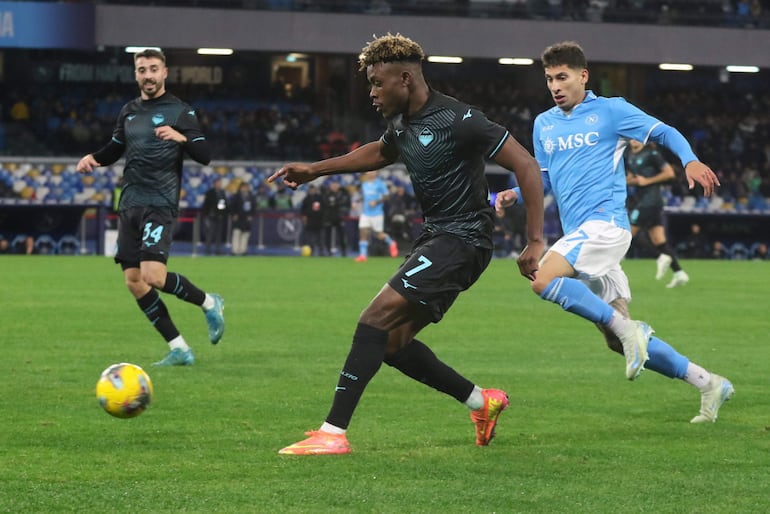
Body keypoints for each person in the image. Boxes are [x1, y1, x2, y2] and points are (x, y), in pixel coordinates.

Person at [268, 33, 544, 455]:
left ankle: (333, 433)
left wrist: (535, 240)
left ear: (404, 78)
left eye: (378, 83)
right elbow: (379, 153)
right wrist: (315, 170)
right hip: (436, 236)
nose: (372, 93)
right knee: (392, 343)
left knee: (374, 318)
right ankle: (480, 401)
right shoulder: (401, 124)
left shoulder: (459, 119)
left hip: (464, 238)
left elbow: (525, 163)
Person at [495, 41, 733, 424]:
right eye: (549, 79)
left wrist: (689, 160)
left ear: (582, 76)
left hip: (606, 225)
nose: (555, 86)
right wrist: (515, 193)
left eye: (562, 77)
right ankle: (707, 382)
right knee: (613, 338)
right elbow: (544, 179)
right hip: (581, 235)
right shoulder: (544, 124)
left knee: (542, 278)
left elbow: (664, 131)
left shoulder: (610, 111)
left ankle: (630, 330)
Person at [76, 48, 224, 367]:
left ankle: (210, 302)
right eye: (142, 70)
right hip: (130, 202)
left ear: (165, 72)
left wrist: (181, 137)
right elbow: (115, 149)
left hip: (160, 202)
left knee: (153, 276)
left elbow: (205, 154)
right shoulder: (129, 111)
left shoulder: (180, 111)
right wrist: (94, 159)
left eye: (154, 69)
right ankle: (179, 347)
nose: (148, 75)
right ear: (136, 74)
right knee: (134, 280)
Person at [625, 139, 689, 288]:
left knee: (627, 234)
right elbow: (635, 179)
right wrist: (628, 181)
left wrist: (648, 181)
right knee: (659, 240)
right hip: (646, 199)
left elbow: (669, 173)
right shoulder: (629, 155)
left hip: (651, 200)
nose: (634, 139)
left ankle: (659, 256)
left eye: (637, 136)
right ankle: (679, 273)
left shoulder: (652, 154)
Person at [354, 170, 398, 261]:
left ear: (376, 173)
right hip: (366, 213)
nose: (370, 173)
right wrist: (356, 201)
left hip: (377, 213)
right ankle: (363, 255)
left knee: (378, 235)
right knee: (363, 232)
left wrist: (376, 202)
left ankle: (391, 243)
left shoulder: (380, 184)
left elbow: (387, 196)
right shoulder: (364, 184)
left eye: (373, 171)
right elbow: (364, 196)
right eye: (369, 171)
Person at [320, 179, 350, 256]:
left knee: (342, 235)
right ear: (330, 186)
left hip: (339, 217)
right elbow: (324, 205)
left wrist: (342, 212)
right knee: (327, 235)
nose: (334, 186)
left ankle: (344, 251)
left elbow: (346, 204)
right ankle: (328, 250)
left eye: (336, 185)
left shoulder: (343, 194)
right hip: (329, 217)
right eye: (333, 185)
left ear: (338, 186)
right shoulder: (327, 194)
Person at [202, 177, 229, 255]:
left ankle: (218, 249)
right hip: (211, 216)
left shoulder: (222, 192)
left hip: (220, 216)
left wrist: (223, 213)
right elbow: (206, 205)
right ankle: (208, 249)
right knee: (210, 233)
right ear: (215, 184)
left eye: (220, 183)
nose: (220, 185)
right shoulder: (210, 192)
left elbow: (223, 204)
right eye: (218, 183)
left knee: (219, 233)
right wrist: (206, 215)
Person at [230, 182, 256, 256]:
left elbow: (254, 207)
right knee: (237, 233)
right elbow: (232, 206)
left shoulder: (251, 196)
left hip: (247, 218)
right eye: (245, 187)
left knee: (245, 235)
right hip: (238, 218)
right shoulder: (236, 196)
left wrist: (251, 215)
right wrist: (234, 214)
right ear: (241, 187)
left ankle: (243, 250)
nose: (246, 189)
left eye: (247, 187)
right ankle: (235, 250)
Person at [299, 183, 324, 256]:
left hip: (319, 221)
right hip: (310, 221)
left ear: (315, 190)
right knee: (310, 238)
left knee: (320, 238)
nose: (312, 191)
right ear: (309, 190)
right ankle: (311, 252)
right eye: (311, 189)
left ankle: (321, 251)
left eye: (313, 189)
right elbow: (303, 210)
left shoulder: (319, 198)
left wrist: (322, 218)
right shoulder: (306, 199)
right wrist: (304, 217)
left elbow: (323, 208)